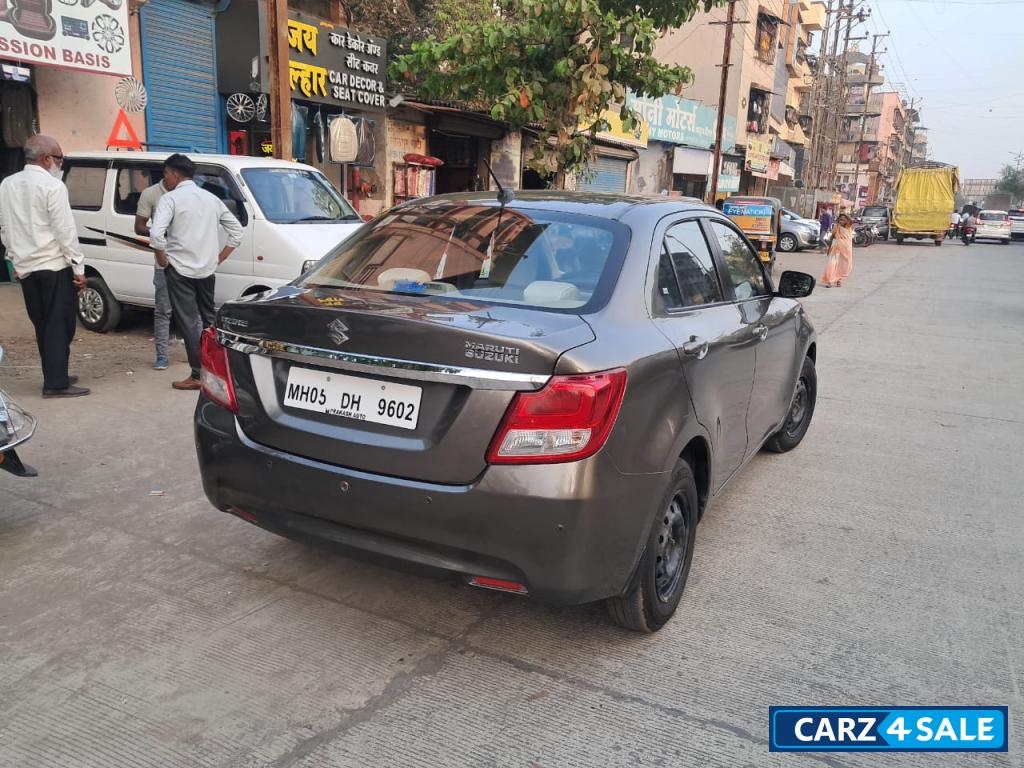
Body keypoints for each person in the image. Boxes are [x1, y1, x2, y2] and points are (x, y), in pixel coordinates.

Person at [0, 134, 90, 397]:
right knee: (59, 325)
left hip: (27, 268)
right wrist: (79, 269)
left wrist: (14, 259)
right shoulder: (53, 187)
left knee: (44, 324)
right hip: (53, 266)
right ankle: (56, 384)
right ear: (47, 159)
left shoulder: (7, 184)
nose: (61, 164)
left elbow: (5, 228)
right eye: (60, 158)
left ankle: (56, 373)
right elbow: (65, 231)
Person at [150, 154, 243, 391]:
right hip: (207, 270)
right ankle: (219, 369)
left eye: (166, 175)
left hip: (179, 269)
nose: (165, 179)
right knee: (209, 320)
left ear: (175, 174)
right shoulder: (211, 199)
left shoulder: (170, 199)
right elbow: (237, 232)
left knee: (189, 323)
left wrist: (163, 261)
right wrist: (219, 259)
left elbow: (156, 235)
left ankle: (198, 373)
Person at [134, 176, 172, 370]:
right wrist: (158, 233)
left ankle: (198, 358)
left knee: (192, 312)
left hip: (189, 262)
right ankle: (162, 356)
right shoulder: (151, 194)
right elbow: (139, 226)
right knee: (163, 310)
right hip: (163, 262)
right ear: (169, 173)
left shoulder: (190, 193)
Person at [821, 212, 854, 288]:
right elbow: (832, 237)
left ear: (847, 221)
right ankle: (829, 281)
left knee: (842, 266)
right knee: (831, 264)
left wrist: (844, 214)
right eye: (840, 219)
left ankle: (839, 280)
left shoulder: (848, 227)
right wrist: (829, 248)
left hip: (846, 250)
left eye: (843, 220)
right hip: (835, 247)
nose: (841, 221)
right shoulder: (836, 227)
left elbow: (851, 221)